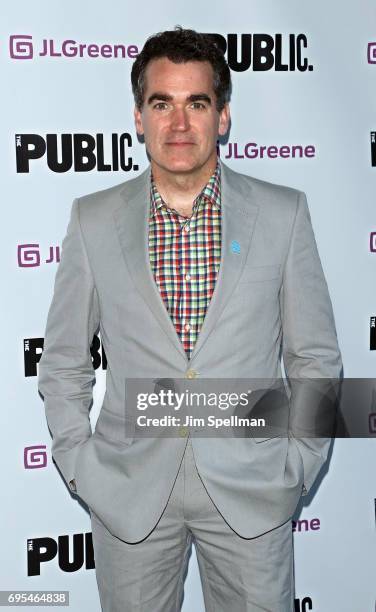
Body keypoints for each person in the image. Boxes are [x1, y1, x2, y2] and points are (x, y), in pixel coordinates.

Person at [38, 26, 342, 612]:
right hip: (129, 493)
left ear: (223, 116)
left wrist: (298, 467)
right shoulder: (93, 221)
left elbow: (316, 359)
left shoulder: (283, 214)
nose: (179, 124)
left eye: (196, 103)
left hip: (254, 488)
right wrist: (82, 468)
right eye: (162, 103)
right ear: (139, 117)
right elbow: (64, 362)